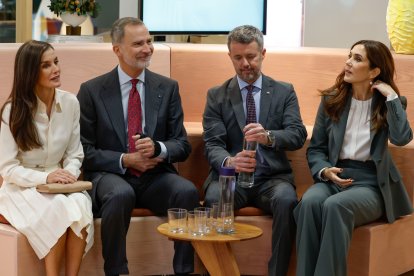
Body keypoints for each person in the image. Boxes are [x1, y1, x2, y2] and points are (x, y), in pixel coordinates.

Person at [77, 17, 199, 276]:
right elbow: (84, 151)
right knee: (120, 195)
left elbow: (182, 145)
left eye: (149, 41)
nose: (147, 48)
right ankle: (116, 271)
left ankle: (185, 271)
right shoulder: (91, 91)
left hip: (156, 178)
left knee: (187, 191)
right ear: (117, 50)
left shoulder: (167, 88)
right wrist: (125, 160)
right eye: (138, 43)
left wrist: (158, 149)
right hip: (112, 176)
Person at [294, 40, 413, 276]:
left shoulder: (390, 103)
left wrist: (391, 97)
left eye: (357, 59)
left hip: (371, 183)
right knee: (309, 203)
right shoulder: (331, 100)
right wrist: (325, 171)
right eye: (349, 56)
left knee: (336, 206)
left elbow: (401, 138)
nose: (348, 62)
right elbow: (316, 148)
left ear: (374, 71)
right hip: (334, 176)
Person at [202, 25, 307, 276]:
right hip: (231, 178)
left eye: (251, 56)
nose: (245, 64)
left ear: (263, 54)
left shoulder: (284, 91)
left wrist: (269, 136)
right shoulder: (216, 95)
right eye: (238, 57)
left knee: (287, 201)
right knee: (215, 198)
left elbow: (297, 134)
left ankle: (278, 272)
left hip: (271, 178)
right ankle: (216, 270)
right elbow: (212, 144)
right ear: (230, 56)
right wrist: (230, 161)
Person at [0, 40, 94, 276]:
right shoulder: (12, 110)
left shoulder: (71, 102)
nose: (56, 69)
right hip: (21, 187)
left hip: (60, 183)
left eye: (56, 62)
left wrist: (69, 175)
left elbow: (75, 153)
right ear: (30, 72)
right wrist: (46, 177)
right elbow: (8, 168)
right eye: (46, 65)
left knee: (80, 203)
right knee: (61, 208)